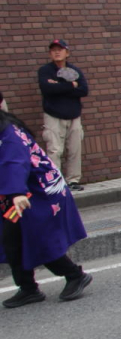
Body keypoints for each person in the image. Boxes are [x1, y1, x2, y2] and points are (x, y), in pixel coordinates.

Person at [0, 109, 92, 308]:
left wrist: (17, 193)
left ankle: (75, 275)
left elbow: (16, 163)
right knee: (12, 239)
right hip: (20, 195)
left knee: (37, 238)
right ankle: (28, 288)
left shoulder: (9, 134)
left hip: (38, 193)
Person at [38, 39, 88, 191]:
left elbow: (84, 90)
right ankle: (55, 181)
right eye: (53, 50)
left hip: (74, 115)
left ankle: (73, 180)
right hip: (53, 115)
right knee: (54, 150)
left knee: (74, 149)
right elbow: (47, 89)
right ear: (50, 53)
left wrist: (58, 86)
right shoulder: (45, 71)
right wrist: (71, 85)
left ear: (67, 53)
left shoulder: (75, 71)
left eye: (60, 49)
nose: (57, 52)